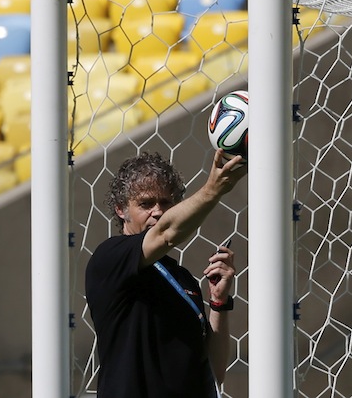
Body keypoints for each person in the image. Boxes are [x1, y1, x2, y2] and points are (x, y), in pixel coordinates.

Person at [85, 149, 247, 398]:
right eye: (146, 204)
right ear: (120, 209)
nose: (158, 212)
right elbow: (166, 233)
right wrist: (213, 189)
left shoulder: (182, 278)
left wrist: (219, 302)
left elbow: (213, 372)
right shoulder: (110, 259)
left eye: (166, 202)